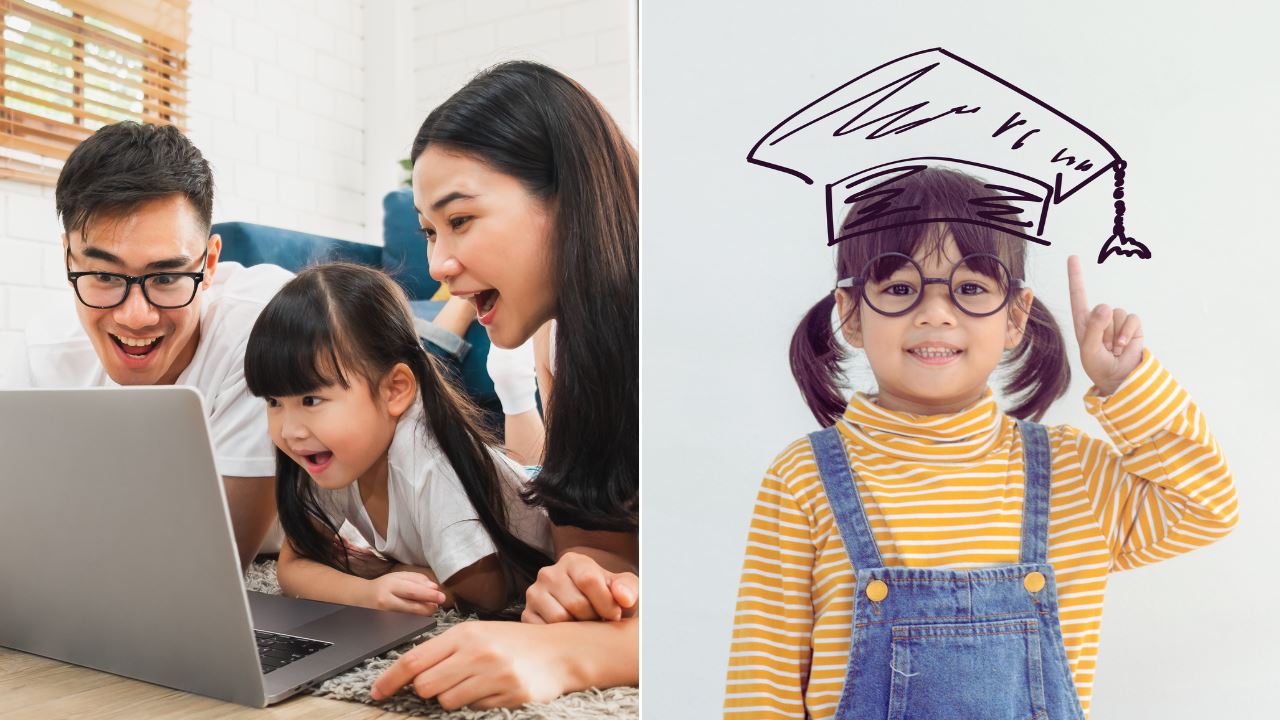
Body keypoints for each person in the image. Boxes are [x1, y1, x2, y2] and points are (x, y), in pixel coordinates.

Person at [723, 167, 1239, 718]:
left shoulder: (1075, 474)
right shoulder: (803, 476)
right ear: (850, 313)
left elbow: (1207, 507)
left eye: (971, 288)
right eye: (899, 288)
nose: (936, 313)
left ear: (1016, 315)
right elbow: (763, 684)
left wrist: (1124, 386)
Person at [369, 61, 639, 709]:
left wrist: (575, 653)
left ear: (569, 197)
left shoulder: (692, 313)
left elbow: (807, 600)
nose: (439, 264)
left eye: (460, 221)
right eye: (430, 231)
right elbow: (604, 545)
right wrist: (582, 580)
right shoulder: (562, 338)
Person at [0, 121, 289, 571]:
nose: (137, 316)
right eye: (104, 276)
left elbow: (212, 568)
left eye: (167, 277)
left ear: (209, 263)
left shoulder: (263, 326)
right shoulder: (45, 352)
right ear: (67, 259)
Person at [242, 263, 552, 615]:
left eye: (311, 400)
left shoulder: (427, 462)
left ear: (395, 390)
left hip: (546, 502)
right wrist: (366, 592)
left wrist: (384, 570)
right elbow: (292, 567)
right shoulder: (328, 451)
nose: (289, 430)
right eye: (273, 402)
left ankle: (515, 384)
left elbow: (485, 595)